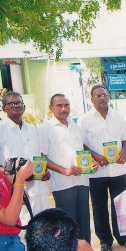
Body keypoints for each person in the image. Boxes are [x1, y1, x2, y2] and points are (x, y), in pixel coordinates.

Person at [81, 85, 126, 251]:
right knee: (99, 207)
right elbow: (82, 144)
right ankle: (105, 241)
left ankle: (124, 237)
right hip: (98, 171)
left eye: (104, 95)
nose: (102, 98)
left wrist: (123, 153)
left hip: (117, 169)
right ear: (92, 100)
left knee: (120, 204)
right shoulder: (85, 119)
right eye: (98, 96)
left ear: (108, 97)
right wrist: (95, 156)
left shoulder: (118, 116)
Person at [0, 91, 51, 223]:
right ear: (4, 108)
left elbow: (38, 156)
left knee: (43, 226)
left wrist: (44, 171)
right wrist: (17, 175)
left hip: (38, 188)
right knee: (24, 228)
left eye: (19, 103)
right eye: (11, 103)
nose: (15, 106)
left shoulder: (32, 129)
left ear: (24, 107)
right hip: (16, 191)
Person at [41, 93, 96, 243]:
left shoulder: (75, 126)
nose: (64, 108)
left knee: (84, 219)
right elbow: (42, 156)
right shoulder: (46, 128)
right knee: (67, 222)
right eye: (59, 105)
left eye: (66, 105)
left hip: (82, 180)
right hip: (62, 183)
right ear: (51, 108)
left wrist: (91, 163)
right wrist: (64, 170)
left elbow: (81, 150)